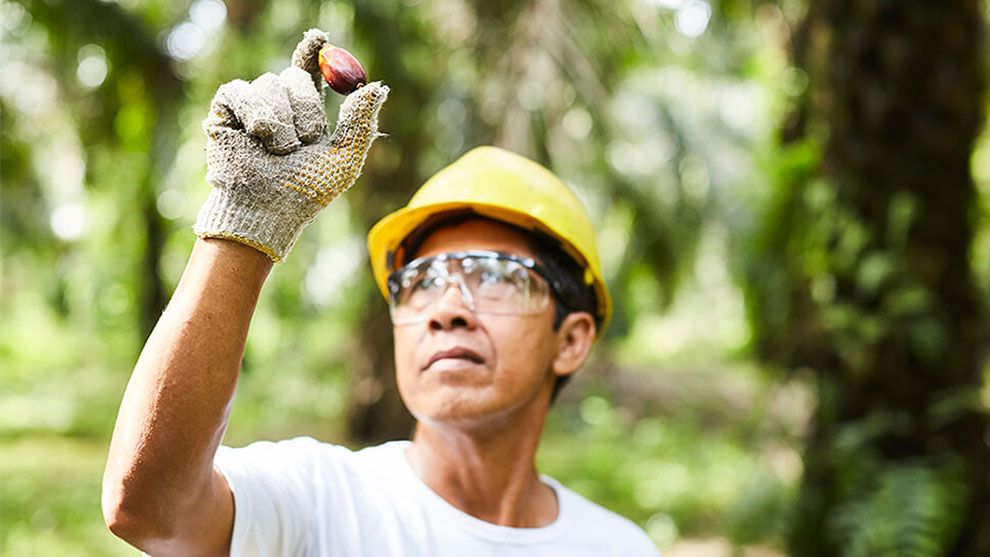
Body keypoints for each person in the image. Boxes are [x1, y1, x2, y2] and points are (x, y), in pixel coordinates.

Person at [102, 29, 660, 557]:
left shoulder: (620, 548)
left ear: (571, 340)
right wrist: (245, 221)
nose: (446, 310)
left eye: (494, 276)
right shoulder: (319, 499)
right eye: (421, 282)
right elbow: (151, 509)